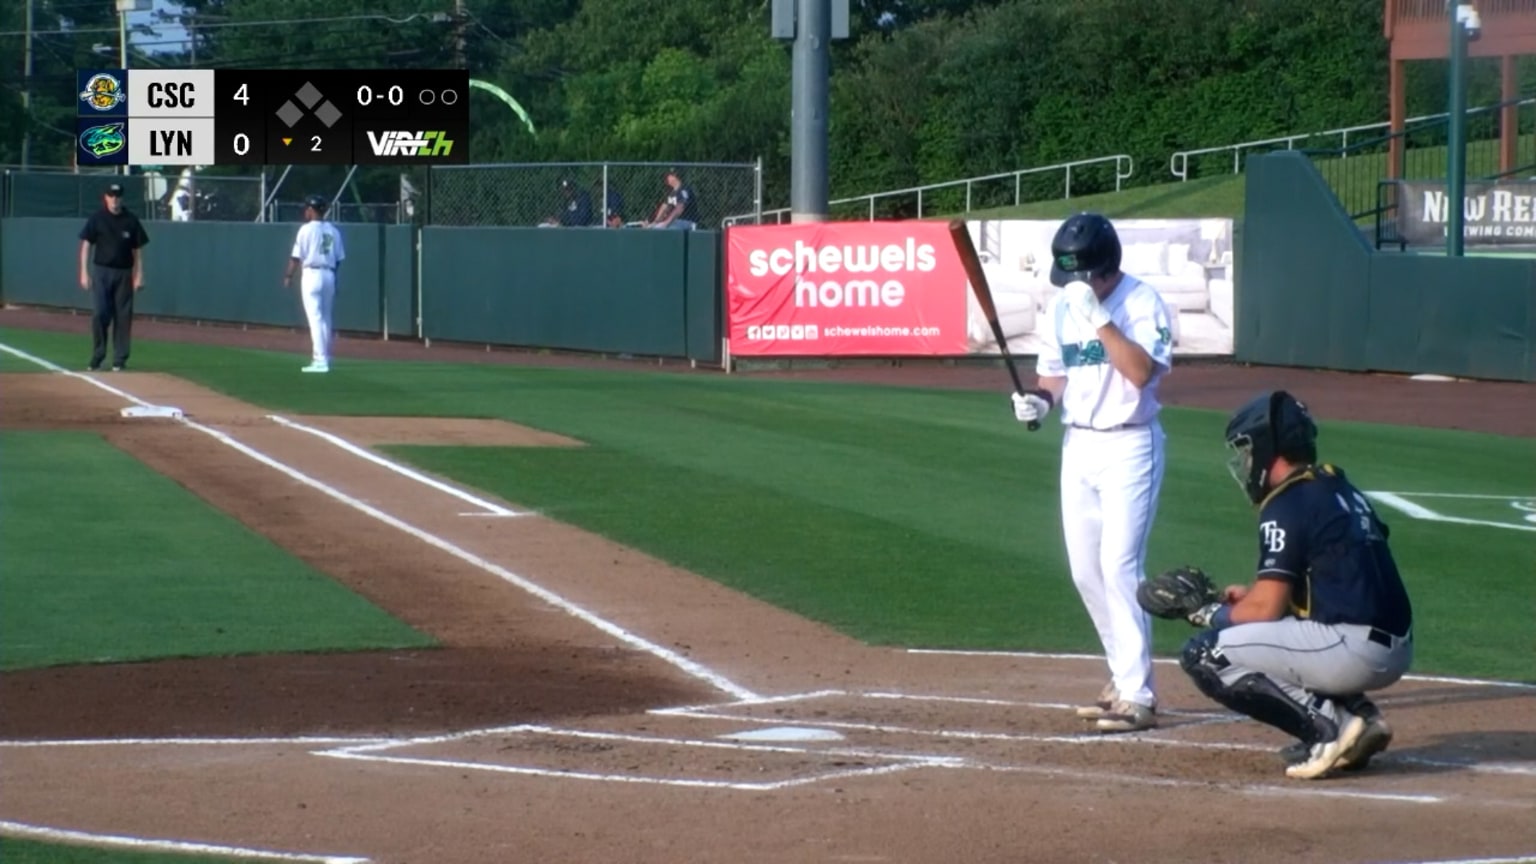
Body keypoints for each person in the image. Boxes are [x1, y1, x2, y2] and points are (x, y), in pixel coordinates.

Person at [1171, 390, 1412, 779]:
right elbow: (1328, 578)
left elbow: (1265, 611)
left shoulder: (1286, 502)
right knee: (1272, 632)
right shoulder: (1337, 487)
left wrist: (1207, 612)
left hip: (1349, 650)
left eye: (1247, 450)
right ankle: (1361, 717)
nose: (1246, 462)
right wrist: (1249, 599)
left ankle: (1328, 728)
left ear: (1268, 446)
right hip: (1392, 645)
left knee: (1204, 654)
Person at [1010, 212, 1176, 733]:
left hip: (1131, 445)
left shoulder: (1141, 302)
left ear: (1106, 268)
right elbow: (1053, 376)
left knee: (1120, 566)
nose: (1076, 286)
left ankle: (1138, 693)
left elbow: (1141, 372)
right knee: (1085, 570)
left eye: (1083, 276)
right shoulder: (1062, 307)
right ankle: (1121, 675)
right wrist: (1037, 402)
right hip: (1078, 445)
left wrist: (1101, 320)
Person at [77, 182, 149, 372]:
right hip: (101, 271)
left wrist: (139, 275)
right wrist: (84, 272)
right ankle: (98, 355)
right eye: (111, 196)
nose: (115, 199)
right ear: (106, 197)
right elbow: (86, 245)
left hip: (124, 272)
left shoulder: (131, 220)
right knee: (100, 313)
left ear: (122, 198)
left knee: (123, 316)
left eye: (118, 196)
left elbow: (138, 250)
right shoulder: (97, 219)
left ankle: (119, 359)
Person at [282, 194, 345, 373]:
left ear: (311, 210)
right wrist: (334, 278)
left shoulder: (305, 230)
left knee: (315, 319)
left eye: (307, 208)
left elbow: (296, 257)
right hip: (329, 274)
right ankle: (324, 357)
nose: (305, 211)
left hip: (311, 275)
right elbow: (339, 259)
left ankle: (320, 360)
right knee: (325, 319)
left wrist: (288, 275)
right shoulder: (333, 230)